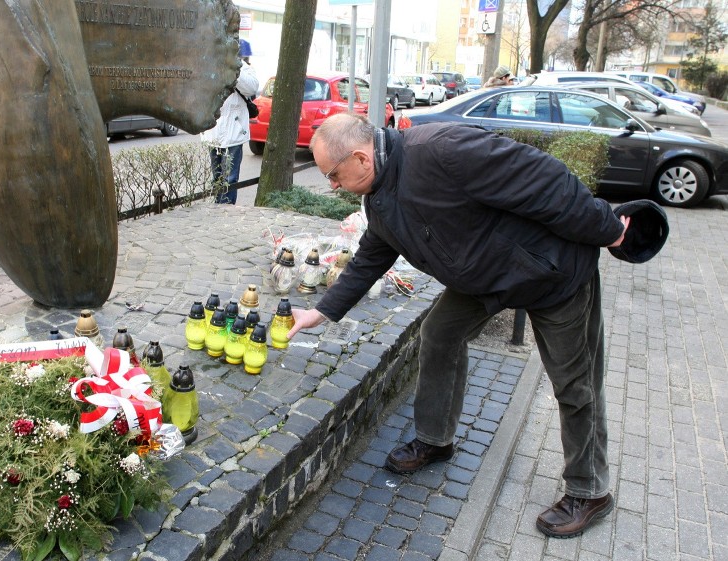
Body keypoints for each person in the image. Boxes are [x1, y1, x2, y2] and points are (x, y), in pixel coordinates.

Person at [287, 112, 631, 539]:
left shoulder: (442, 150)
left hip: (551, 272)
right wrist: (321, 312)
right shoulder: (379, 195)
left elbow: (547, 179)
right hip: (485, 280)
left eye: (333, 175)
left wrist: (609, 229)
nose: (332, 186)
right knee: (440, 334)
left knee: (574, 384)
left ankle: (589, 490)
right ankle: (435, 439)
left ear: (359, 157)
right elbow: (372, 255)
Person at [201, 39, 259, 204]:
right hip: (213, 131)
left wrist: (233, 69)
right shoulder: (211, 66)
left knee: (230, 178)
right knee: (217, 177)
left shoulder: (244, 69)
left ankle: (226, 209)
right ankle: (218, 206)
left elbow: (252, 88)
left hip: (234, 132)